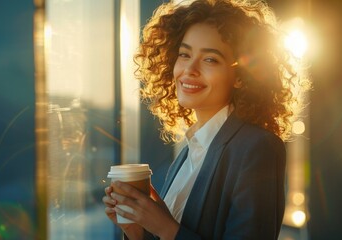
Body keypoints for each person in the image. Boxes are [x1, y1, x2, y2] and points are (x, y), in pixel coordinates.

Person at [103, 0, 309, 239]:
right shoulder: (190, 151)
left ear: (240, 76)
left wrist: (164, 226)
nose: (189, 69)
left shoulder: (257, 148)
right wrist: (137, 229)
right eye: (184, 54)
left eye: (210, 59)